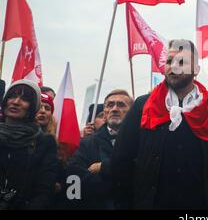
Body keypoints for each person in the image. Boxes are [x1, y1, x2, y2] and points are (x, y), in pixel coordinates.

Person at [111, 39, 208, 209]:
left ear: (196, 69)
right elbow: (121, 159)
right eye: (169, 61)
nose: (173, 66)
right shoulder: (143, 106)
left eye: (181, 62)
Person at [66, 90, 133, 209]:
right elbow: (73, 178)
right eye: (110, 105)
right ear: (105, 112)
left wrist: (104, 168)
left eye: (121, 104)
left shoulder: (141, 141)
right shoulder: (86, 143)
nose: (114, 109)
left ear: (132, 111)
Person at [0, 80, 58, 209]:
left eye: (24, 99)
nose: (15, 102)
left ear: (33, 107)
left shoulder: (44, 142)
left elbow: (44, 192)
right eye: (12, 96)